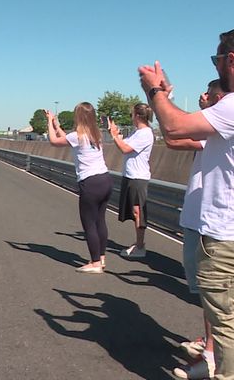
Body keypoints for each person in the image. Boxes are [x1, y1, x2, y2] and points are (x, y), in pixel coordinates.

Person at [138, 29, 234, 380]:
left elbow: (175, 128)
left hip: (224, 234)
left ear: (231, 60)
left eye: (216, 60)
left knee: (225, 323)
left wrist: (154, 90)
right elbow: (178, 134)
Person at [165, 80, 226, 379]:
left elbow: (173, 136)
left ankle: (212, 356)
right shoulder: (215, 127)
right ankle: (211, 348)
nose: (203, 97)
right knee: (210, 296)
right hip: (203, 219)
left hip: (212, 224)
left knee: (213, 295)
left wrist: (161, 97)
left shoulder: (219, 127)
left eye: (210, 94)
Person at [45, 102, 113, 274]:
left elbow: (54, 141)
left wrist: (49, 121)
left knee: (89, 222)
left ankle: (95, 262)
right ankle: (101, 257)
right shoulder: (96, 135)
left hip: (90, 182)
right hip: (105, 179)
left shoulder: (78, 136)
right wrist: (57, 126)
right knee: (100, 220)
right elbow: (66, 139)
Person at [109, 103, 154, 258]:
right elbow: (125, 144)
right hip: (130, 175)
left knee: (138, 211)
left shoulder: (145, 133)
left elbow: (125, 149)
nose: (131, 117)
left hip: (138, 177)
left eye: (132, 114)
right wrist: (116, 134)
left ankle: (140, 246)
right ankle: (138, 243)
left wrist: (115, 136)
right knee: (134, 211)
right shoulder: (137, 132)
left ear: (137, 116)